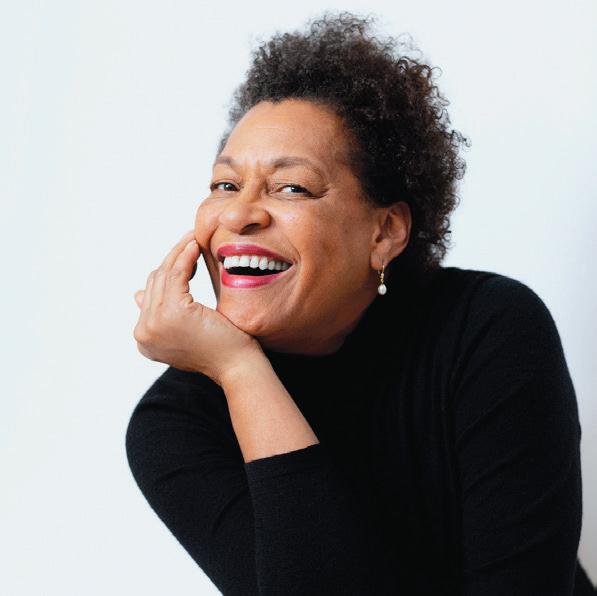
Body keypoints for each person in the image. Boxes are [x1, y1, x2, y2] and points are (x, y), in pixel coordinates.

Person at [125, 11, 595, 595]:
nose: (239, 214)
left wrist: (239, 368)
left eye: (292, 187)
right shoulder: (175, 423)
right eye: (225, 185)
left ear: (385, 233)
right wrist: (242, 371)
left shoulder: (488, 331)